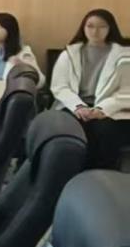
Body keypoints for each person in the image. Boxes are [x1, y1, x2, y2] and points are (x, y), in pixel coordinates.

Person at [50, 9, 130, 170]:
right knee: (71, 129)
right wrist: (78, 106)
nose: (95, 31)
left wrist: (102, 109)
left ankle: (102, 175)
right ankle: (71, 173)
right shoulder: (70, 53)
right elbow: (60, 86)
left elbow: (126, 91)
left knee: (105, 130)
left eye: (102, 27)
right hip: (74, 106)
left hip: (111, 109)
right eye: (90, 26)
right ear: (83, 28)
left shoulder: (125, 56)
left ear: (110, 29)